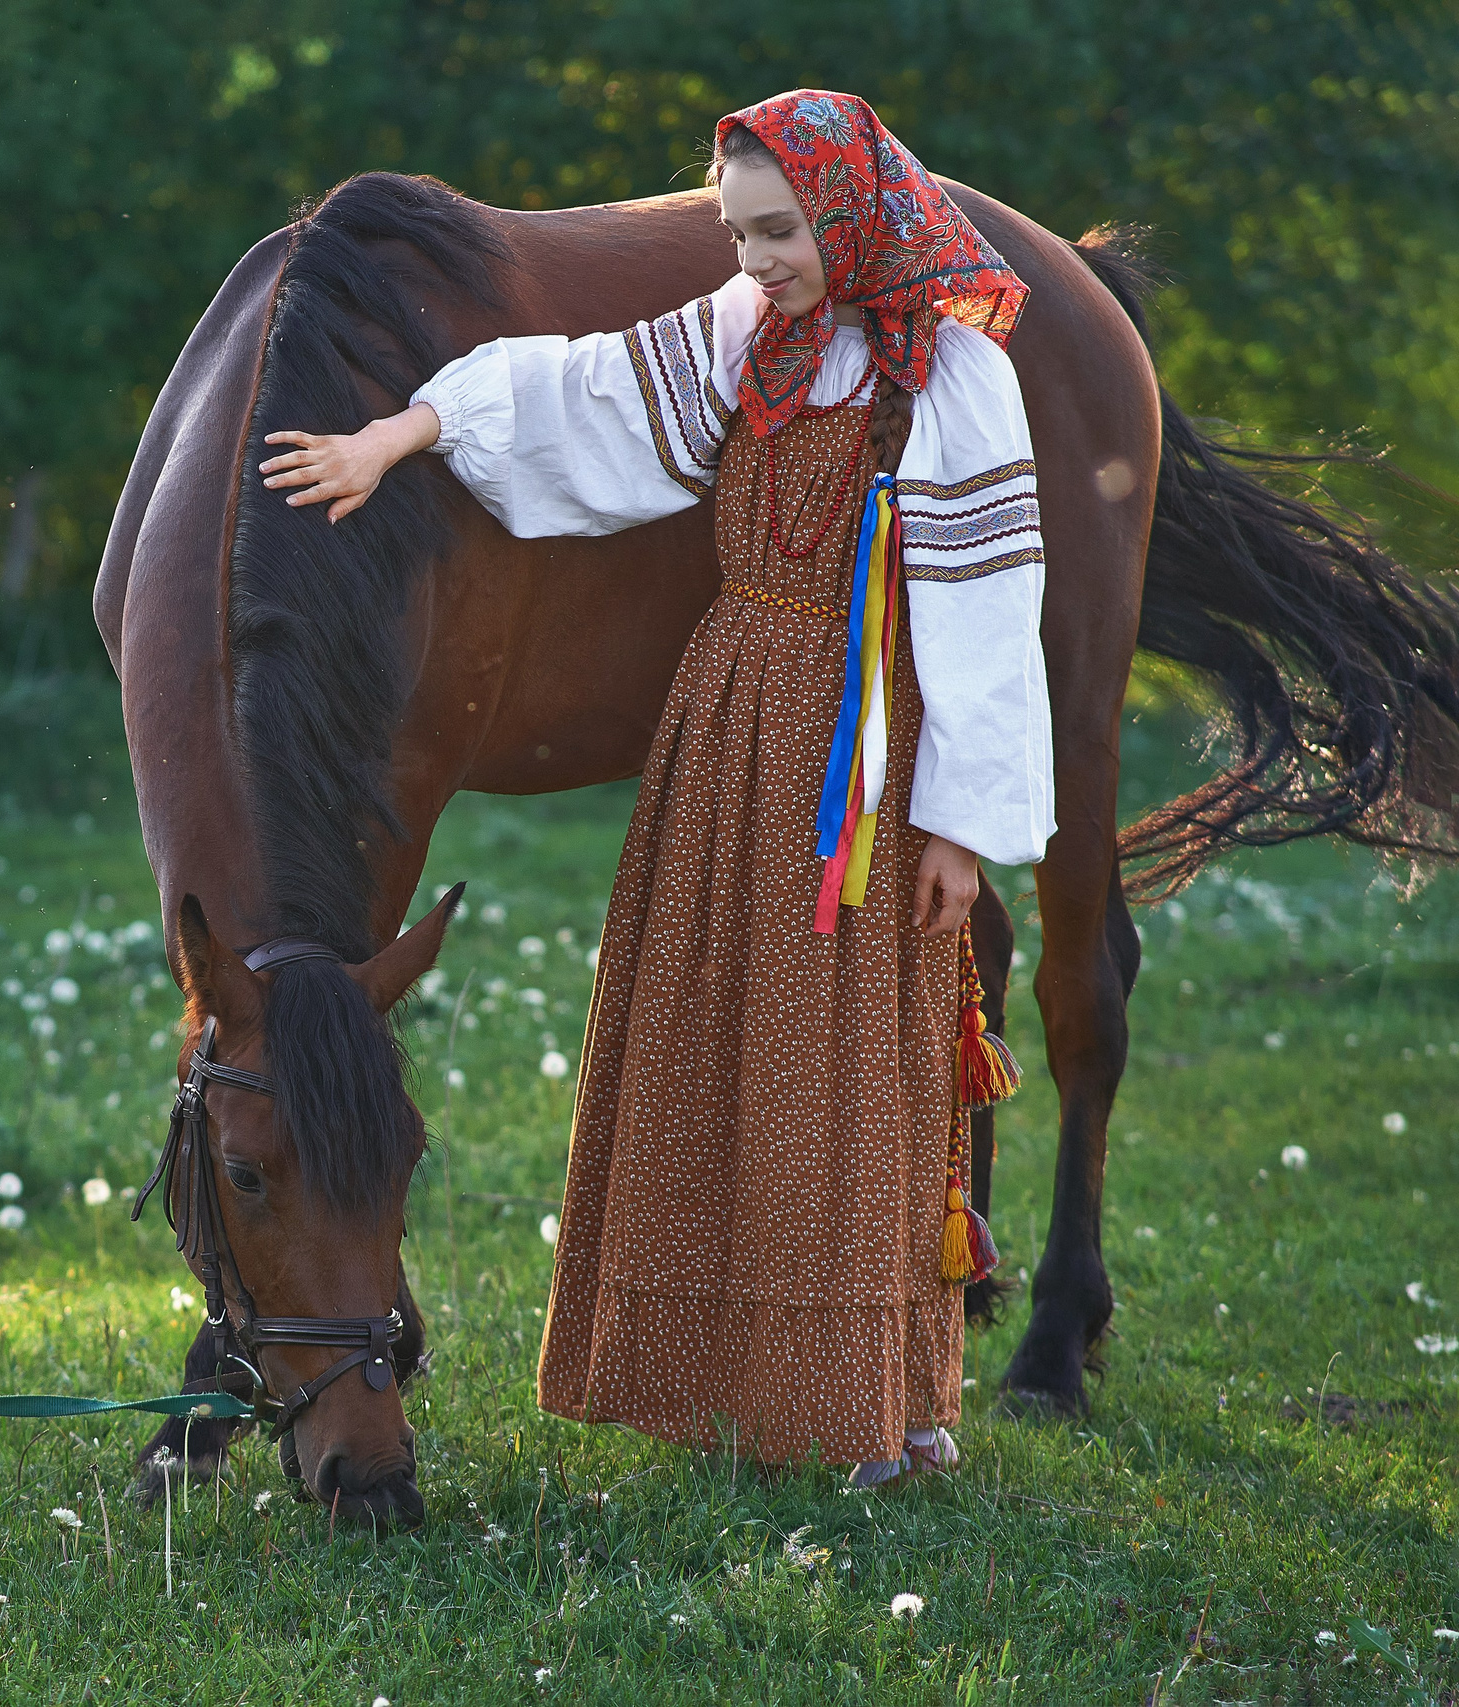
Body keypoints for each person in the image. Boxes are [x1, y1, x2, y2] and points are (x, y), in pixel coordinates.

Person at [254, 91, 1050, 1485]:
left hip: (859, 753)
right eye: (741, 235)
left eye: (782, 231)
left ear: (851, 212)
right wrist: (397, 438)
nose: (758, 261)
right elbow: (587, 389)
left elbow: (990, 600)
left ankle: (874, 1407)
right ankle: (726, 1386)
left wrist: (966, 828)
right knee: (717, 1038)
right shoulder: (752, 338)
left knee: (849, 1064)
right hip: (727, 717)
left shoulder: (947, 374)